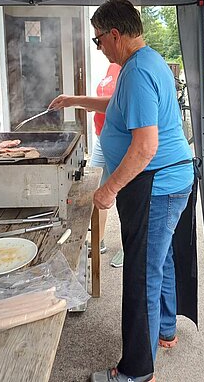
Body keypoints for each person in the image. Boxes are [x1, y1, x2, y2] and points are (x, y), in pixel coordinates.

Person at [49, 0, 198, 382]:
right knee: (160, 260)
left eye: (99, 40)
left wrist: (109, 189)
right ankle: (165, 330)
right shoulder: (148, 61)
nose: (99, 48)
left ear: (115, 34)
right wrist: (74, 100)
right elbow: (118, 106)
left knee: (142, 273)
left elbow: (145, 146)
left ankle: (135, 371)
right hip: (172, 180)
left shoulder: (134, 71)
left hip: (157, 186)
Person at [90, 62, 124, 267]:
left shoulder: (132, 68)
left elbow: (116, 103)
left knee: (123, 195)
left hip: (120, 141)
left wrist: (83, 101)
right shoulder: (112, 67)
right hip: (101, 137)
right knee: (95, 190)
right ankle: (98, 239)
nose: (101, 47)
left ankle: (126, 247)